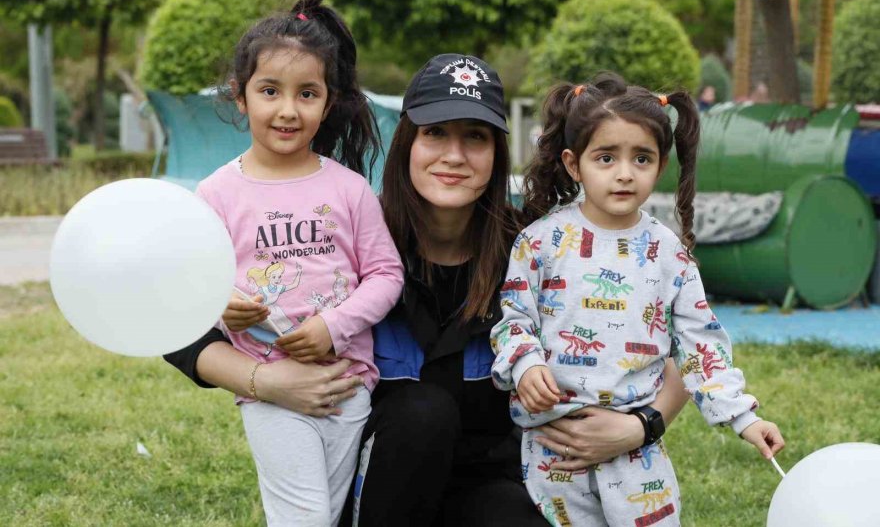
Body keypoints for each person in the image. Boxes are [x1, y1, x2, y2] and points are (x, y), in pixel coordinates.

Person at [165, 55, 692, 526]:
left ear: (496, 151)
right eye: (435, 133)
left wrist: (641, 426)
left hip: (488, 479)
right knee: (424, 411)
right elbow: (177, 332)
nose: (454, 155)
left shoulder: (537, 248)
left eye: (475, 137)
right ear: (408, 143)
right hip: (377, 481)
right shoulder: (350, 229)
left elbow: (675, 353)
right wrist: (263, 380)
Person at [490, 73, 785, 526]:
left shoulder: (670, 254)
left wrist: (744, 419)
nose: (625, 173)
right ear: (574, 164)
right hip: (554, 448)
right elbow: (513, 320)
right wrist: (525, 363)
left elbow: (699, 345)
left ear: (660, 165)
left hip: (637, 455)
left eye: (641, 158)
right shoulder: (540, 242)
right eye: (606, 157)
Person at [191, 0, 404, 525]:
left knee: (331, 512)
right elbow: (195, 287)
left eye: (306, 94)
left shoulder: (351, 189)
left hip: (349, 383)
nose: (288, 110)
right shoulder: (215, 195)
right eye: (269, 91)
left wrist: (334, 326)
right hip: (270, 389)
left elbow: (384, 273)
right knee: (303, 516)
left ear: (327, 102)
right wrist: (222, 305)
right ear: (240, 96)